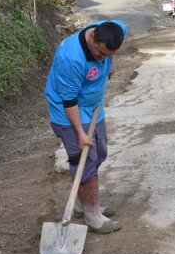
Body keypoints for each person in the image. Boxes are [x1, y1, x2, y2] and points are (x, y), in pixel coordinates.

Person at [45, 19, 127, 234]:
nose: (102, 58)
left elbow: (110, 49)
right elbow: (69, 101)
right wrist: (80, 134)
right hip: (70, 112)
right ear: (92, 38)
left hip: (93, 107)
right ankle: (93, 216)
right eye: (100, 54)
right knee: (86, 162)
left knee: (100, 152)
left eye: (108, 55)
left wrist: (110, 63)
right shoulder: (71, 59)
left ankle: (83, 204)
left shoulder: (114, 29)